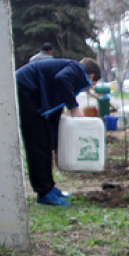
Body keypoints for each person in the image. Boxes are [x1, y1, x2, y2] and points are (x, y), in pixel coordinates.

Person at [15, 58, 101, 206]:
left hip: (33, 93)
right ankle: (43, 192)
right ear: (91, 76)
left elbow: (53, 120)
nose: (89, 89)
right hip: (25, 88)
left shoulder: (66, 87)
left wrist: (55, 149)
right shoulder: (76, 69)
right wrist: (74, 108)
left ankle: (49, 187)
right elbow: (62, 78)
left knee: (45, 138)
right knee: (36, 142)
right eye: (92, 85)